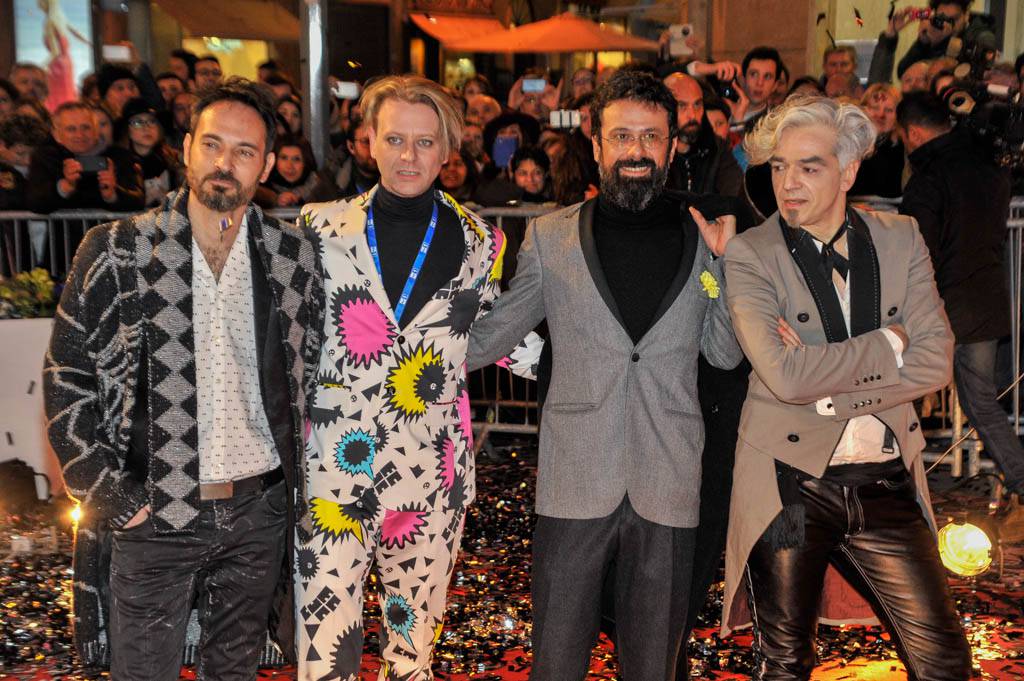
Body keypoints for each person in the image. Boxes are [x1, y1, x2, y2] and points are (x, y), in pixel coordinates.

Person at [466, 68, 743, 681]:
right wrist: (401, 343)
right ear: (596, 146)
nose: (636, 151)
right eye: (621, 136)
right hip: (574, 480)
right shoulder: (550, 237)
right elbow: (492, 335)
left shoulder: (705, 238)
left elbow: (723, 356)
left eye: (650, 136)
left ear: (671, 146)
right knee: (557, 664)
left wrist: (727, 270)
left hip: (669, 481)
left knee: (653, 667)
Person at [43, 76, 323, 679]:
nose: (225, 163)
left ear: (266, 165)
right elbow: (67, 377)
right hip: (154, 509)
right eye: (213, 144)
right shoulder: (118, 249)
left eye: (244, 151)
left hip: (258, 510)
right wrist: (110, 496)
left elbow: (314, 375)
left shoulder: (291, 256)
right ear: (188, 147)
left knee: (235, 672)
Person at [721, 94, 972, 680]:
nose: (788, 184)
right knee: (785, 663)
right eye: (779, 167)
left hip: (884, 479)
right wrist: (889, 343)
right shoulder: (751, 253)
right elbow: (784, 376)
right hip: (788, 483)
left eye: (809, 167)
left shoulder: (901, 237)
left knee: (944, 661)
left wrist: (831, 390)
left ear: (849, 171)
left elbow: (936, 361)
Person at [294, 74, 521, 681]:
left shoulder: (481, 243)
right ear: (369, 141)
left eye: (424, 142)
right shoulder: (319, 227)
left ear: (447, 150)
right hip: (333, 473)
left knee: (411, 655)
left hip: (430, 477)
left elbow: (499, 337)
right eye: (394, 139)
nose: (408, 156)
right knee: (325, 654)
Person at [897, 91, 1024, 495]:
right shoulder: (988, 166)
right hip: (985, 301)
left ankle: (896, 485)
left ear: (913, 133)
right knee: (981, 401)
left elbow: (918, 249)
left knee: (901, 393)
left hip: (941, 305)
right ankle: (1020, 478)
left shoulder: (928, 179)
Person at [27, 100, 144, 214]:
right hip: (65, 228)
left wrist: (113, 194)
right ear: (56, 135)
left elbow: (138, 201)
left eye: (86, 127)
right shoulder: (46, 158)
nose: (80, 135)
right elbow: (34, 202)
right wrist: (64, 187)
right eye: (71, 129)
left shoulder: (121, 157)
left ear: (96, 130)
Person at [869, 1, 996, 85]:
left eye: (954, 19)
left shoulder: (981, 37)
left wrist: (945, 42)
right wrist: (922, 42)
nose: (948, 25)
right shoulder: (936, 34)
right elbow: (904, 74)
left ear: (966, 15)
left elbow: (967, 82)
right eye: (943, 18)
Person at [663, 71, 743, 196]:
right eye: (682, 106)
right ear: (663, 107)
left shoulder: (716, 147)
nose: (692, 115)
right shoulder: (655, 151)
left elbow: (735, 192)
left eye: (697, 104)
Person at [117, 98, 184, 207]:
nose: (146, 128)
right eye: (138, 122)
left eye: (152, 121)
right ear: (126, 129)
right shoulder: (120, 163)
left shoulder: (168, 160)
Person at [850, 84, 903, 198]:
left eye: (888, 110)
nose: (880, 115)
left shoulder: (902, 150)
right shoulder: (851, 143)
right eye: (875, 108)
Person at [255, 134, 320, 207]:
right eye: (284, 158)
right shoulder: (259, 189)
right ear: (273, 160)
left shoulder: (320, 187)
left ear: (306, 163)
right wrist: (274, 199)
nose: (289, 166)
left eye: (296, 159)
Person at [740, 46, 784, 123]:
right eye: (754, 74)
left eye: (767, 77)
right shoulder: (723, 109)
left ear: (775, 85)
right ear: (743, 79)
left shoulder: (774, 123)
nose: (760, 83)